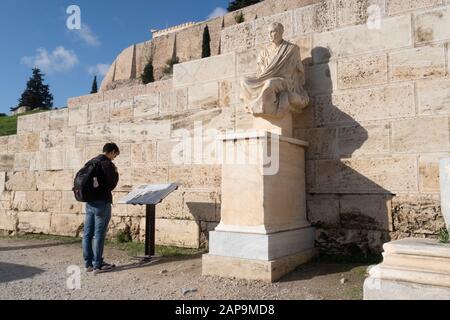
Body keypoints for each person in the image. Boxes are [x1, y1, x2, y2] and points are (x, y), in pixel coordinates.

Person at [241, 22, 309, 118]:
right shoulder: (263, 52)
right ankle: (258, 105)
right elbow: (260, 72)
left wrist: (296, 87)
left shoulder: (291, 49)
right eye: (269, 32)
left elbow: (298, 72)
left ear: (280, 32)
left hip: (285, 81)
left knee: (270, 83)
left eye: (273, 32)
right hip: (265, 78)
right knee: (245, 81)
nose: (270, 35)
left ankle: (264, 107)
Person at [82, 143, 120, 274]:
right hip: (102, 202)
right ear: (112, 151)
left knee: (87, 234)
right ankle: (98, 264)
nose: (114, 158)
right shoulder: (107, 164)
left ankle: (88, 264)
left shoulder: (91, 162)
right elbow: (111, 184)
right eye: (115, 155)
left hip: (89, 202)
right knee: (99, 234)